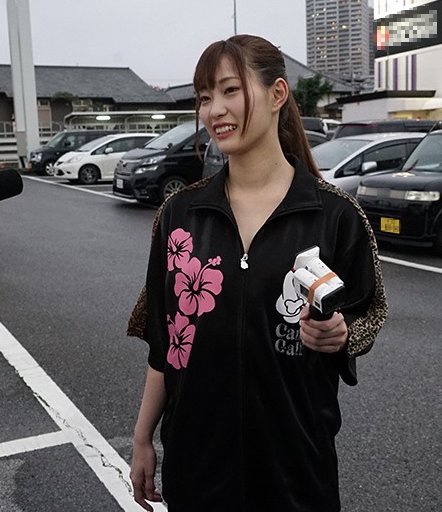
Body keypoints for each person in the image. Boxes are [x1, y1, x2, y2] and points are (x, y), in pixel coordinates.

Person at [127, 34, 388, 512]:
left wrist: (340, 334)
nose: (214, 110)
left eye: (230, 90)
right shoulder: (179, 215)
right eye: (204, 97)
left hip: (296, 473)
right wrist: (143, 438)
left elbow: (367, 316)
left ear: (277, 94)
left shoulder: (335, 215)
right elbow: (165, 341)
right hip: (197, 468)